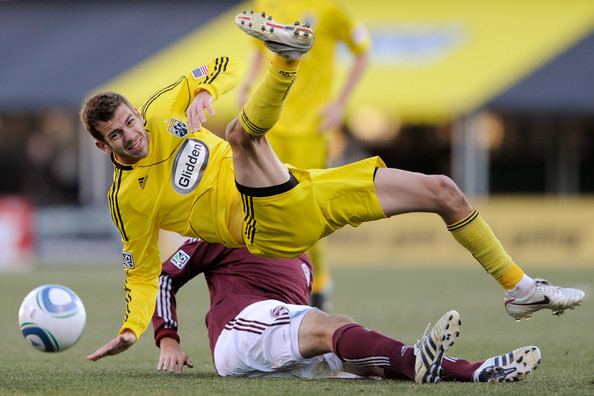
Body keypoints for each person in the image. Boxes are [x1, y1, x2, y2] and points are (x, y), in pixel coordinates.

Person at [81, 12, 584, 361]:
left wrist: (207, 90)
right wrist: (132, 329)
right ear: (104, 148)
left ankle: (519, 289)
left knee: (442, 190)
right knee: (241, 136)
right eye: (118, 135)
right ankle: (286, 62)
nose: (133, 134)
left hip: (300, 189)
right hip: (264, 228)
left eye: (130, 121)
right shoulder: (129, 200)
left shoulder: (162, 109)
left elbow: (221, 66)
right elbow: (144, 273)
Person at [151, 238, 541, 383]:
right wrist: (168, 341)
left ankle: (474, 371)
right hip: (240, 329)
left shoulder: (301, 253)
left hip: (277, 343)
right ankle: (425, 359)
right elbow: (168, 277)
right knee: (335, 326)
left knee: (367, 360)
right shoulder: (224, 227)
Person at [237, 0, 372, 310]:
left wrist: (340, 103)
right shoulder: (266, 4)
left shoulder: (330, 9)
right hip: (270, 120)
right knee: (265, 207)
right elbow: (259, 48)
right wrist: (247, 83)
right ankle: (273, 287)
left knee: (304, 207)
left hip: (311, 126)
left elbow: (363, 53)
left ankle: (320, 284)